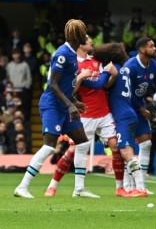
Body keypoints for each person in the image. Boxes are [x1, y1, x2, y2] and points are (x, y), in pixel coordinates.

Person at [14, 19, 89, 198]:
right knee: (49, 147)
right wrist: (70, 104)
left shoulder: (71, 53)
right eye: (84, 32)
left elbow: (64, 86)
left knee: (83, 142)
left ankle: (79, 189)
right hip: (52, 105)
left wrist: (74, 101)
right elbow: (53, 84)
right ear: (78, 36)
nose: (86, 36)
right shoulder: (62, 54)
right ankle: (22, 187)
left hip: (64, 105)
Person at [44, 36, 123, 198]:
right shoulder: (73, 64)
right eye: (88, 40)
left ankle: (119, 188)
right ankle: (54, 186)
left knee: (116, 147)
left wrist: (113, 75)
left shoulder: (96, 60)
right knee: (74, 149)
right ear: (80, 44)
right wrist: (80, 77)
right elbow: (71, 91)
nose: (92, 41)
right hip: (85, 113)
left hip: (104, 112)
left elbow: (105, 85)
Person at [92, 42, 148, 197]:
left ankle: (141, 188)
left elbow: (101, 86)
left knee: (126, 152)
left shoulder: (112, 69)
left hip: (122, 116)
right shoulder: (124, 70)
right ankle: (128, 187)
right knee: (124, 150)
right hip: (128, 113)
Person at [124, 37, 156, 193]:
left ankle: (141, 184)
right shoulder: (131, 67)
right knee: (127, 147)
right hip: (126, 108)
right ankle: (128, 185)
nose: (155, 48)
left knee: (146, 144)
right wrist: (143, 111)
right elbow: (126, 93)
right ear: (142, 49)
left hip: (139, 107)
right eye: (151, 46)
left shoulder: (154, 65)